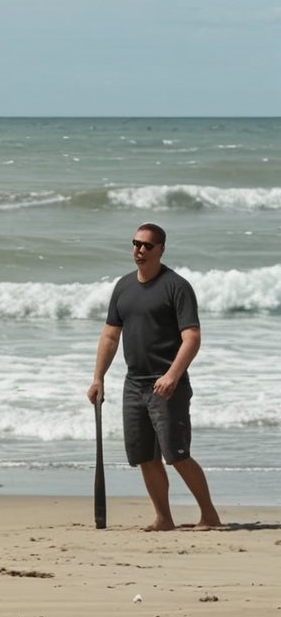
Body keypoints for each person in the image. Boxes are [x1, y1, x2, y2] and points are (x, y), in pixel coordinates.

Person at [87, 223, 221, 531]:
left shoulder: (176, 286)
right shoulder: (123, 287)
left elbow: (192, 337)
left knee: (176, 455)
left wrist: (173, 375)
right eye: (136, 244)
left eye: (148, 245)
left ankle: (209, 515)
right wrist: (98, 378)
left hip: (167, 385)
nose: (140, 250)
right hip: (134, 384)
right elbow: (109, 336)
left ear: (161, 249)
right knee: (144, 456)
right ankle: (163, 518)